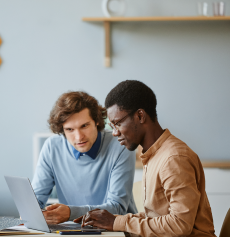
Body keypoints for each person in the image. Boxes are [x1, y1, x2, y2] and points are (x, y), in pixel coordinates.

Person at [75, 81, 216, 237]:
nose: (114, 133)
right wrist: (112, 220)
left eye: (117, 124)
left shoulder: (174, 158)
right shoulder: (155, 154)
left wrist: (117, 223)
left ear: (140, 116)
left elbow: (180, 224)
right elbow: (156, 218)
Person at [32, 91, 137, 225]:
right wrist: (37, 213)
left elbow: (117, 208)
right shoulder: (52, 147)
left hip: (115, 230)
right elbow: (35, 201)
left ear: (97, 121)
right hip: (73, 230)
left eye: (84, 126)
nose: (79, 137)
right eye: (70, 129)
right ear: (62, 130)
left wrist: (70, 213)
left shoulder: (121, 145)